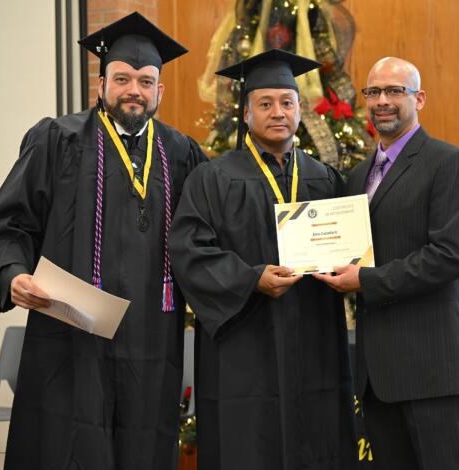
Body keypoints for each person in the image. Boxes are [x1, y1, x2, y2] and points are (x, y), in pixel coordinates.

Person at [0, 11, 207, 470]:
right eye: (123, 78)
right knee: (67, 444)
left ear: (159, 91)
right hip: (69, 336)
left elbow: (208, 238)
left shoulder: (182, 153)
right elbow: (8, 223)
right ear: (102, 83)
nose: (134, 90)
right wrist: (12, 275)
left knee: (144, 448)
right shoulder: (57, 140)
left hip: (152, 338)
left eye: (146, 81)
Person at [169, 49, 357, 470]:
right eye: (265, 104)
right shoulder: (213, 178)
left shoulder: (324, 178)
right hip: (245, 343)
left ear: (299, 109)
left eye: (286, 103)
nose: (278, 113)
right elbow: (188, 251)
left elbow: (350, 246)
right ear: (247, 113)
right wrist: (251, 279)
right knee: (249, 446)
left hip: (314, 337)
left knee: (319, 437)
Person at [314, 57, 459, 470]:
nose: (382, 101)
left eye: (394, 91)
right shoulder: (357, 177)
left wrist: (366, 281)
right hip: (377, 376)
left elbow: (452, 255)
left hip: (432, 368)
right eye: (373, 92)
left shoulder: (449, 163)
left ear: (419, 98)